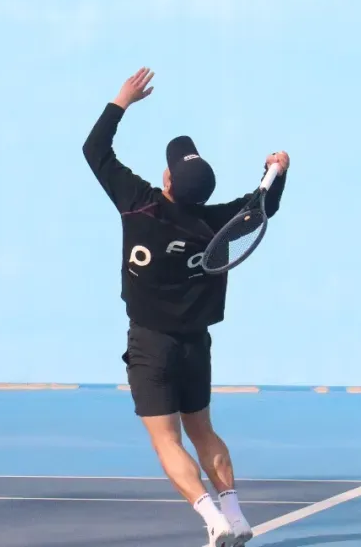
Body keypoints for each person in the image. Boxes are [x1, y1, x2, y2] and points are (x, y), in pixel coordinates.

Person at [81, 67, 288, 547]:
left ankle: (213, 520)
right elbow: (262, 207)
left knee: (166, 440)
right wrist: (277, 173)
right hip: (197, 345)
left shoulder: (140, 204)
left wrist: (121, 100)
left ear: (167, 179)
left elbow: (95, 150)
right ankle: (235, 515)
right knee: (204, 433)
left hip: (150, 343)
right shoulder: (218, 224)